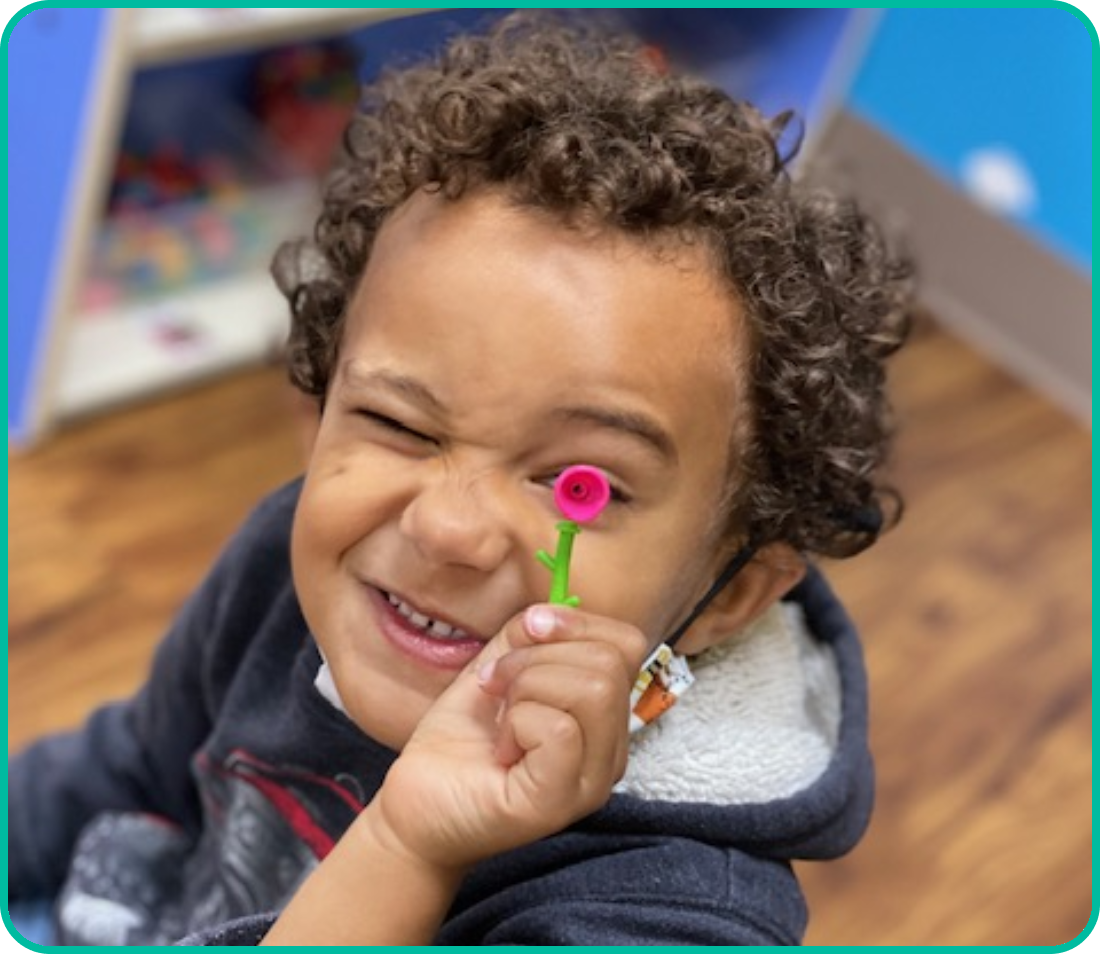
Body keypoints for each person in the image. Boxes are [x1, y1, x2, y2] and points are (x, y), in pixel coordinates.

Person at [7, 11, 914, 946]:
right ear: (319, 407)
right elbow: (129, 767)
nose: (446, 529)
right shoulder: (289, 562)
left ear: (733, 593)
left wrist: (408, 845)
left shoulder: (676, 913)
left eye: (581, 483)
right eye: (399, 424)